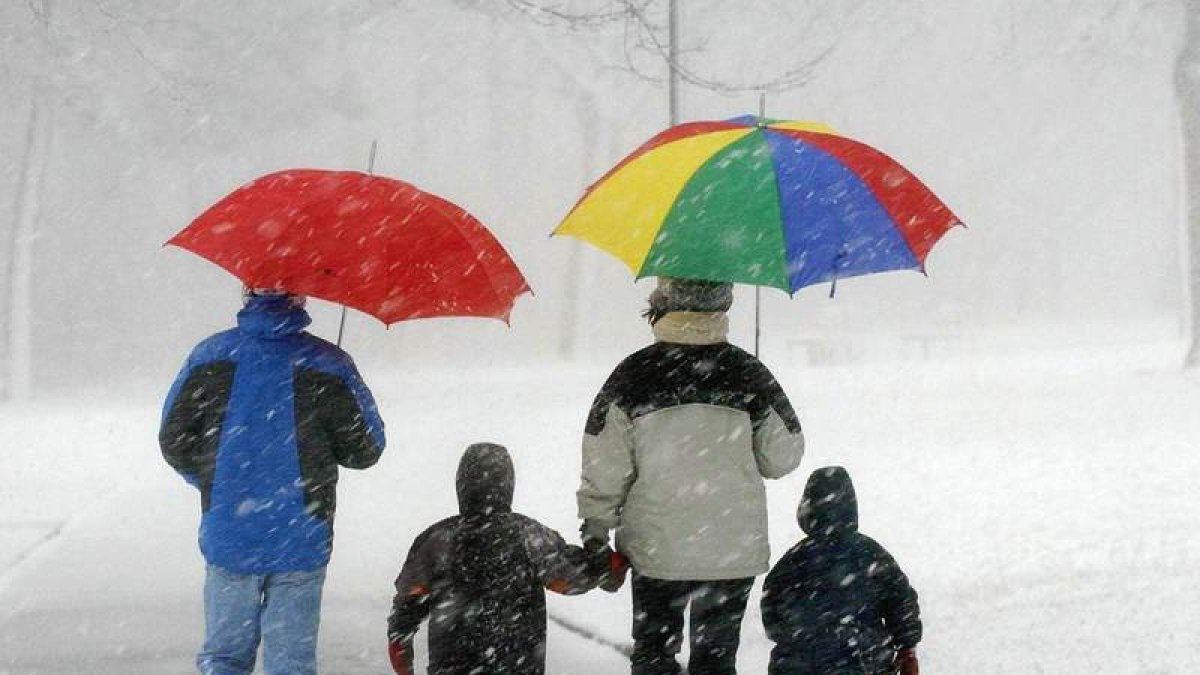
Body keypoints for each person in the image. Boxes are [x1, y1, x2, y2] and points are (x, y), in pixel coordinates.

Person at [577, 277, 806, 675]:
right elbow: (782, 457)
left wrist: (595, 530)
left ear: (664, 300)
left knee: (655, 657)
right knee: (715, 662)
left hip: (656, 550)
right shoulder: (747, 372)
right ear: (725, 302)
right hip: (729, 550)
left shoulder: (633, 374)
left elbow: (605, 462)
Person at [159, 287, 385, 675]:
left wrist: (215, 484)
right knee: (291, 665)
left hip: (230, 533)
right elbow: (366, 451)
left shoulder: (209, 357)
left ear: (247, 292)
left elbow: (173, 440)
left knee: (225, 659)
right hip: (301, 536)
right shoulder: (330, 364)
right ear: (301, 298)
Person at [387, 442, 626, 675]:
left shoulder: (437, 540)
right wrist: (605, 568)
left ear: (461, 485)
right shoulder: (529, 536)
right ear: (507, 486)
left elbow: (409, 599)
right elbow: (569, 578)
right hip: (517, 662)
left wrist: (400, 641)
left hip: (451, 664)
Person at [761, 466, 922, 675]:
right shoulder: (870, 553)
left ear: (807, 509)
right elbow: (901, 599)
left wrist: (798, 637)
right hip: (864, 660)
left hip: (803, 666)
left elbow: (771, 610)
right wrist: (907, 646)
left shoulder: (794, 560)